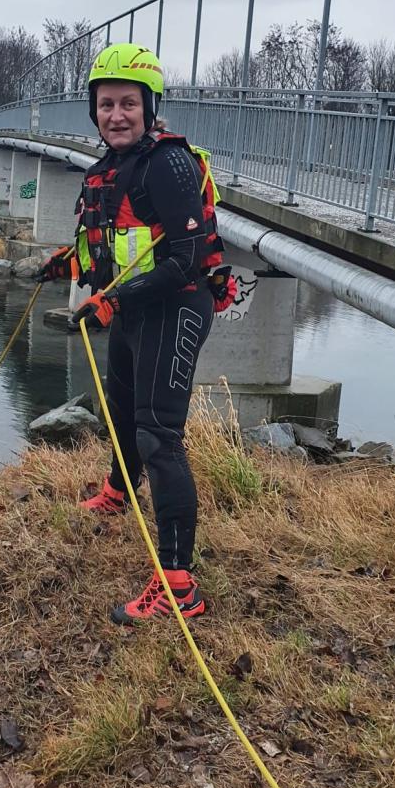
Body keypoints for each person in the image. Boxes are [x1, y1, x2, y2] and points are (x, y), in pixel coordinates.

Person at [39, 43, 236, 624]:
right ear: (93, 112)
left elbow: (185, 259)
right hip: (131, 309)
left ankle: (178, 585)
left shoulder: (168, 165)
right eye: (106, 104)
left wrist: (112, 300)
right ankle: (119, 492)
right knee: (121, 411)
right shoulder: (108, 166)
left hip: (175, 308)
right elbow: (110, 242)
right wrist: (67, 264)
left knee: (159, 436)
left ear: (150, 108)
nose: (116, 114)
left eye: (129, 103)